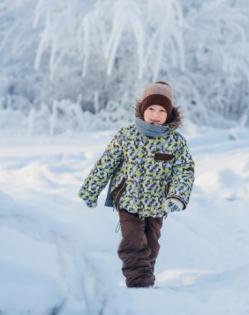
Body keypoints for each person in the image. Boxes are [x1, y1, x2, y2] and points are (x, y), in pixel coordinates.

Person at [78, 81, 195, 288]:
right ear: (142, 109)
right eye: (151, 108)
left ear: (169, 114)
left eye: (161, 110)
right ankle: (139, 283)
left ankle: (146, 279)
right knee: (132, 243)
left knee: (150, 246)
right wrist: (91, 190)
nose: (156, 114)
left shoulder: (175, 142)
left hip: (158, 205)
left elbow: (184, 171)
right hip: (127, 202)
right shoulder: (126, 136)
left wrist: (177, 196)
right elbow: (106, 164)